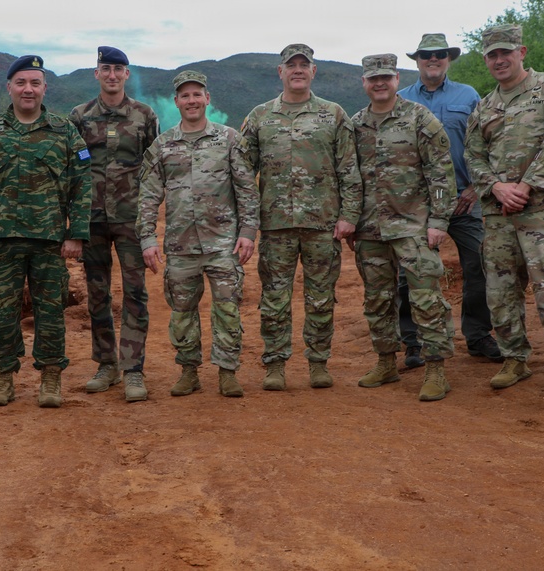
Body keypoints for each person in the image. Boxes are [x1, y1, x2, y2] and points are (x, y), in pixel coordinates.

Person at [0, 55, 91, 408]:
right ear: (9, 87)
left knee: (51, 311)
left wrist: (76, 233)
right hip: (2, 240)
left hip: (50, 241)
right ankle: (2, 378)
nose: (28, 89)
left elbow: (82, 184)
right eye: (21, 83)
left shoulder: (65, 131)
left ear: (45, 88)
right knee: (2, 309)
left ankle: (50, 378)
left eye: (35, 83)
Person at [465, 24, 544, 399]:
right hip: (499, 210)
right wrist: (496, 187)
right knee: (501, 289)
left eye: (506, 52)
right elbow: (473, 154)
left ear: (522, 52)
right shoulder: (485, 106)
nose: (499, 60)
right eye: (492, 55)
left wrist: (527, 185)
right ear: (486, 60)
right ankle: (514, 358)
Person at [241, 43, 361, 391]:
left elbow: (349, 170)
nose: (297, 70)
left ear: (313, 71)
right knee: (274, 298)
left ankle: (319, 362)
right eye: (290, 65)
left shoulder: (334, 114)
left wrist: (349, 215)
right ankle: (275, 364)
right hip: (275, 224)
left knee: (321, 297)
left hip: (322, 224)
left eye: (303, 65)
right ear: (280, 72)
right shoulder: (261, 116)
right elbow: (243, 172)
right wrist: (247, 221)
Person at [136, 70, 259, 398]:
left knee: (228, 309)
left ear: (207, 99)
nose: (191, 101)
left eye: (197, 95)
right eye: (185, 96)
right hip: (180, 245)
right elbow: (148, 195)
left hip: (224, 243)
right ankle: (188, 370)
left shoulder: (230, 139)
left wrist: (248, 231)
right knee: (182, 312)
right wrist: (147, 239)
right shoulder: (163, 145)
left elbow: (246, 187)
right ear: (176, 101)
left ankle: (227, 372)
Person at [349, 54, 456, 401]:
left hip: (414, 226)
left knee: (426, 298)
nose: (379, 83)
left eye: (385, 77)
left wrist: (439, 220)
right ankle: (386, 362)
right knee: (377, 300)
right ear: (364, 83)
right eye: (372, 78)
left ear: (396, 79)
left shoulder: (418, 117)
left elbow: (441, 173)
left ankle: (436, 369)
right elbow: (347, 177)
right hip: (370, 229)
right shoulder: (356, 124)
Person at [397, 33, 501, 368]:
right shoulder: (400, 100)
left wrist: (475, 188)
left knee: (479, 266)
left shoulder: (468, 95)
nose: (433, 59)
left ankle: (478, 335)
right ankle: (411, 342)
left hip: (463, 199)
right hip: (416, 204)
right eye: (426, 54)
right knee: (408, 274)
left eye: (440, 54)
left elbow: (486, 144)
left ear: (448, 59)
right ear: (417, 60)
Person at [69, 46, 158, 402]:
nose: (111, 75)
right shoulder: (79, 116)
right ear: (96, 73)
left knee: (136, 294)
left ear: (126, 74)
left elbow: (154, 167)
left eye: (118, 69)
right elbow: (72, 169)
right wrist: (72, 221)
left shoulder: (144, 115)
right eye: (105, 68)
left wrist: (149, 215)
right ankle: (106, 365)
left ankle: (133, 370)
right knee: (97, 295)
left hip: (131, 219)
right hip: (91, 219)